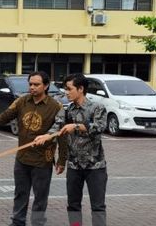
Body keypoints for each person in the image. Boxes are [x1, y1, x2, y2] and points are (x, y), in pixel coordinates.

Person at [0, 71, 67, 226]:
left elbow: (61, 133)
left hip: (42, 161)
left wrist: (62, 160)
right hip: (22, 158)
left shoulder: (56, 107)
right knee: (20, 193)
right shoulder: (21, 101)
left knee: (40, 197)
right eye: (30, 84)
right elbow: (5, 116)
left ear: (45, 86)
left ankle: (37, 222)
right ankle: (18, 221)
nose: (32, 87)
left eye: (36, 84)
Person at [34, 73, 107, 226]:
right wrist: (45, 137)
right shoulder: (67, 110)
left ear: (80, 89)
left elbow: (99, 128)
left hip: (95, 167)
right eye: (65, 89)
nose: (66, 92)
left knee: (98, 206)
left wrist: (76, 126)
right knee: (73, 205)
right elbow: (57, 127)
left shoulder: (96, 107)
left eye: (69, 89)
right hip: (74, 166)